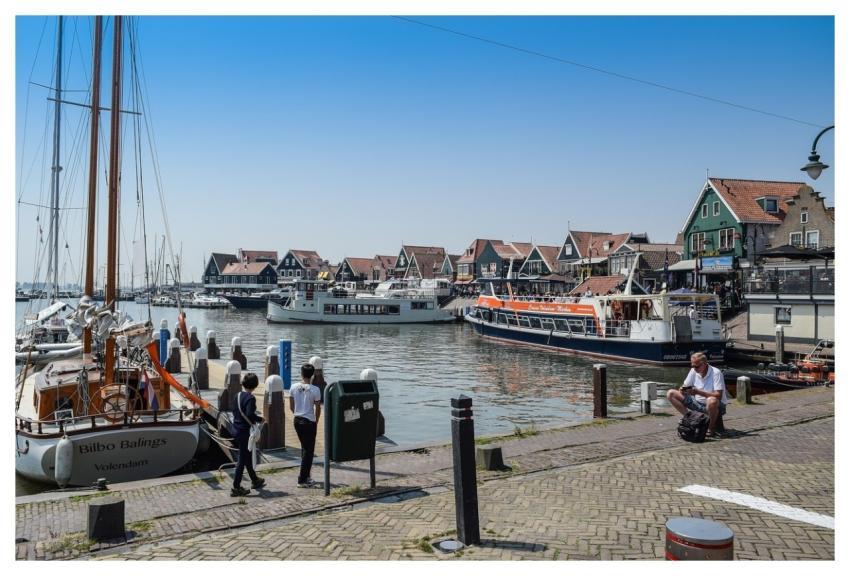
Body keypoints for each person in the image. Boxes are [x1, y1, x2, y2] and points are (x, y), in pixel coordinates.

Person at [666, 352, 728, 438]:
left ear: (705, 364)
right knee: (671, 393)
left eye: (697, 366)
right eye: (692, 366)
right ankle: (691, 419)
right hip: (697, 402)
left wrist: (698, 392)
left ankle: (710, 428)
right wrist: (683, 390)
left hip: (715, 405)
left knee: (712, 400)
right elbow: (684, 386)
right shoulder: (693, 371)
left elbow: (718, 395)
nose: (694, 368)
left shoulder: (716, 373)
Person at [230, 372, 266, 496]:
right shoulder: (250, 398)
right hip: (245, 431)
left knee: (247, 456)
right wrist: (260, 419)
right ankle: (236, 487)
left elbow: (235, 411)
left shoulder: (237, 395)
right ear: (255, 385)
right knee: (242, 459)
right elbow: (250, 414)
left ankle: (255, 480)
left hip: (236, 429)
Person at [290, 363, 322, 487]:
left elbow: (291, 406)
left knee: (304, 448)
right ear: (312, 375)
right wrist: (316, 420)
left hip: (297, 420)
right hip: (309, 421)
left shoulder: (293, 387)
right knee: (309, 451)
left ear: (301, 373)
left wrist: (298, 413)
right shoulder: (315, 390)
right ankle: (302, 480)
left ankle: (307, 476)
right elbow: (318, 408)